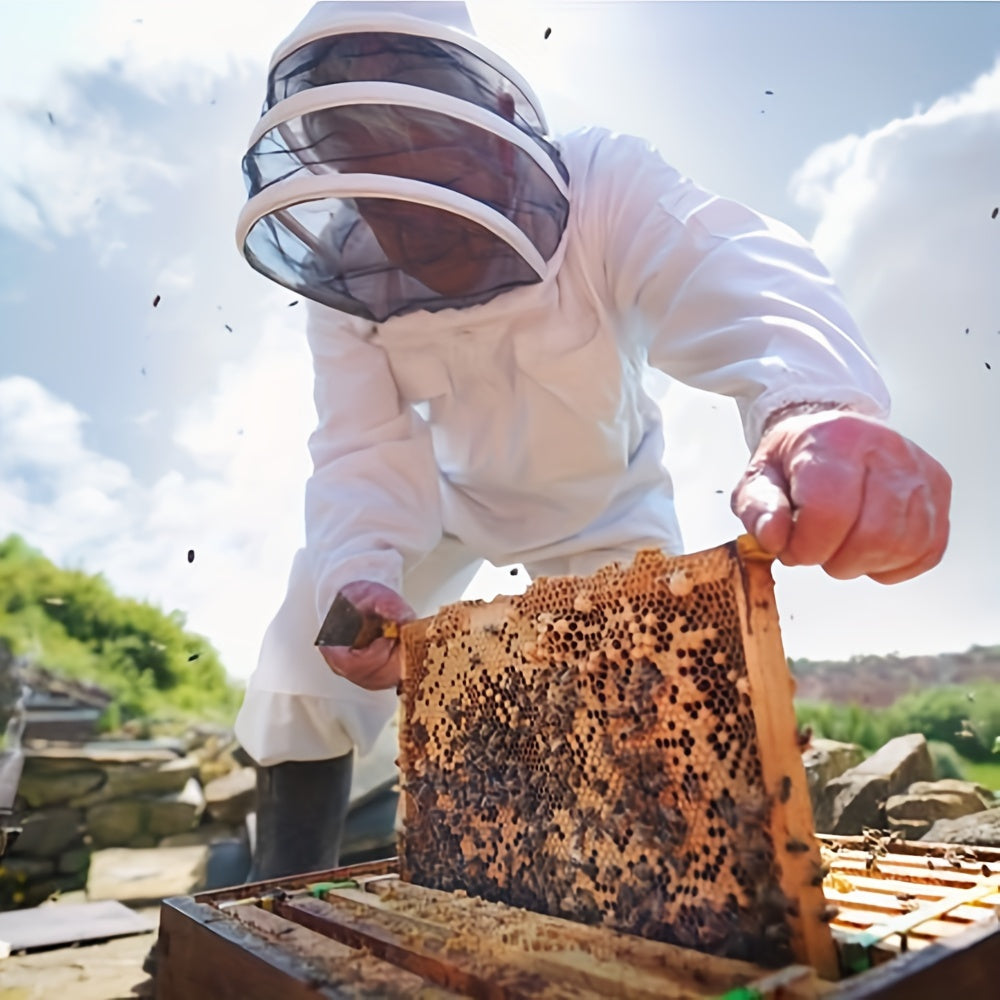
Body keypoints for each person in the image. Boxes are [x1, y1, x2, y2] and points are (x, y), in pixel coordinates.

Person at [232, 1, 951, 879]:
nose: (407, 219)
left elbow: (724, 262)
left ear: (493, 120)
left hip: (605, 510)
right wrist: (361, 570)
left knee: (655, 704)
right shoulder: (341, 272)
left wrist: (810, 403)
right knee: (305, 647)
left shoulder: (604, 180)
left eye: (413, 136)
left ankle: (669, 892)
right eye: (365, 160)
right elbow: (359, 446)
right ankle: (275, 899)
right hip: (446, 509)